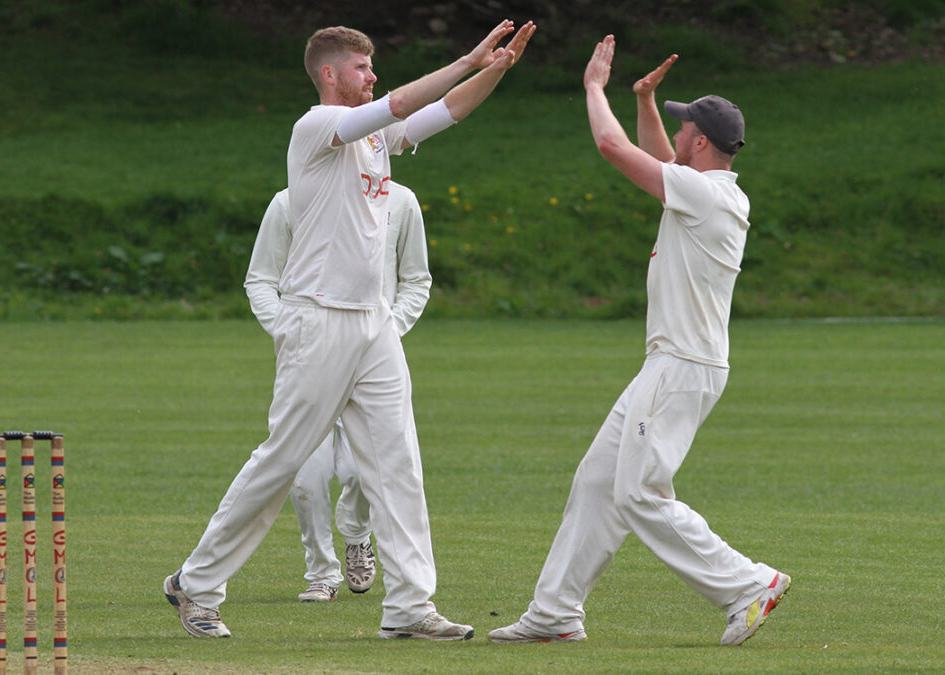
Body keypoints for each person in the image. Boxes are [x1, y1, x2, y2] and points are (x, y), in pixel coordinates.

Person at [165, 19, 536, 641]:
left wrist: (494, 70)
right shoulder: (315, 126)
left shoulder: (376, 138)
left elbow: (443, 112)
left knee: (397, 464)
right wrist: (469, 56)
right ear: (331, 75)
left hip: (375, 325)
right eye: (362, 68)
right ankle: (197, 587)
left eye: (374, 67)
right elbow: (402, 102)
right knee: (282, 461)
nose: (373, 76)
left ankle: (410, 607)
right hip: (318, 320)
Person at [489, 36, 790, 647]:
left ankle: (747, 584)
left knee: (638, 493)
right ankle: (554, 613)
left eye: (684, 128)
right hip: (672, 363)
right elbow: (662, 162)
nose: (677, 134)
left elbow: (612, 146)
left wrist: (595, 90)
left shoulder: (707, 196)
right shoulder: (706, 189)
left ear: (701, 141)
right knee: (598, 483)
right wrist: (647, 100)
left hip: (681, 365)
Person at [243, 182, 431, 603]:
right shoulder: (289, 202)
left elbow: (416, 280)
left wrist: (384, 334)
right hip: (310, 357)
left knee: (365, 471)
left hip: (372, 358)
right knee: (306, 476)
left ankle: (357, 533)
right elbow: (260, 280)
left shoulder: (400, 201)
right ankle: (321, 571)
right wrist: (293, 334)